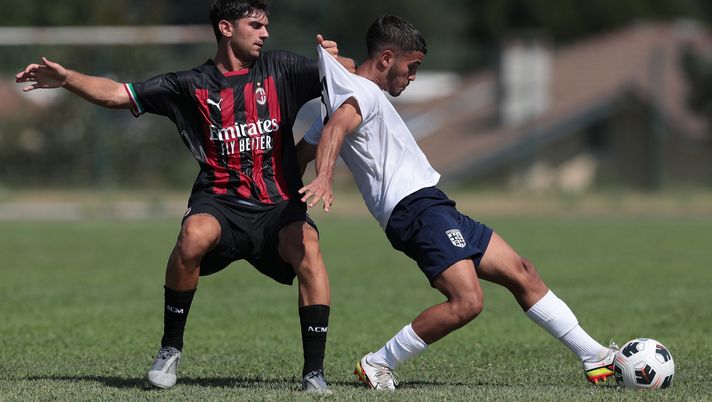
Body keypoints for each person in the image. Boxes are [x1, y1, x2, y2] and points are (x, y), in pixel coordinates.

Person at [16, 0, 354, 393]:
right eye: (255, 25)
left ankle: (314, 372)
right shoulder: (189, 85)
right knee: (193, 235)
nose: (265, 33)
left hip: (277, 206)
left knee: (308, 247)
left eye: (266, 26)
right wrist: (67, 78)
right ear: (226, 28)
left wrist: (333, 59)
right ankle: (169, 349)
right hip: (221, 202)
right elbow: (117, 94)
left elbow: (348, 74)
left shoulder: (282, 68)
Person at [297, 15, 617, 390]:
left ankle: (594, 355)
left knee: (522, 272)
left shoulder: (350, 92)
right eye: (411, 67)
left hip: (435, 205)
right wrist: (324, 176)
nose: (413, 76)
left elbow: (306, 146)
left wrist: (336, 63)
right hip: (414, 211)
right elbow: (335, 129)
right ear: (386, 58)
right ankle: (378, 363)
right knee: (467, 301)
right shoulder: (359, 96)